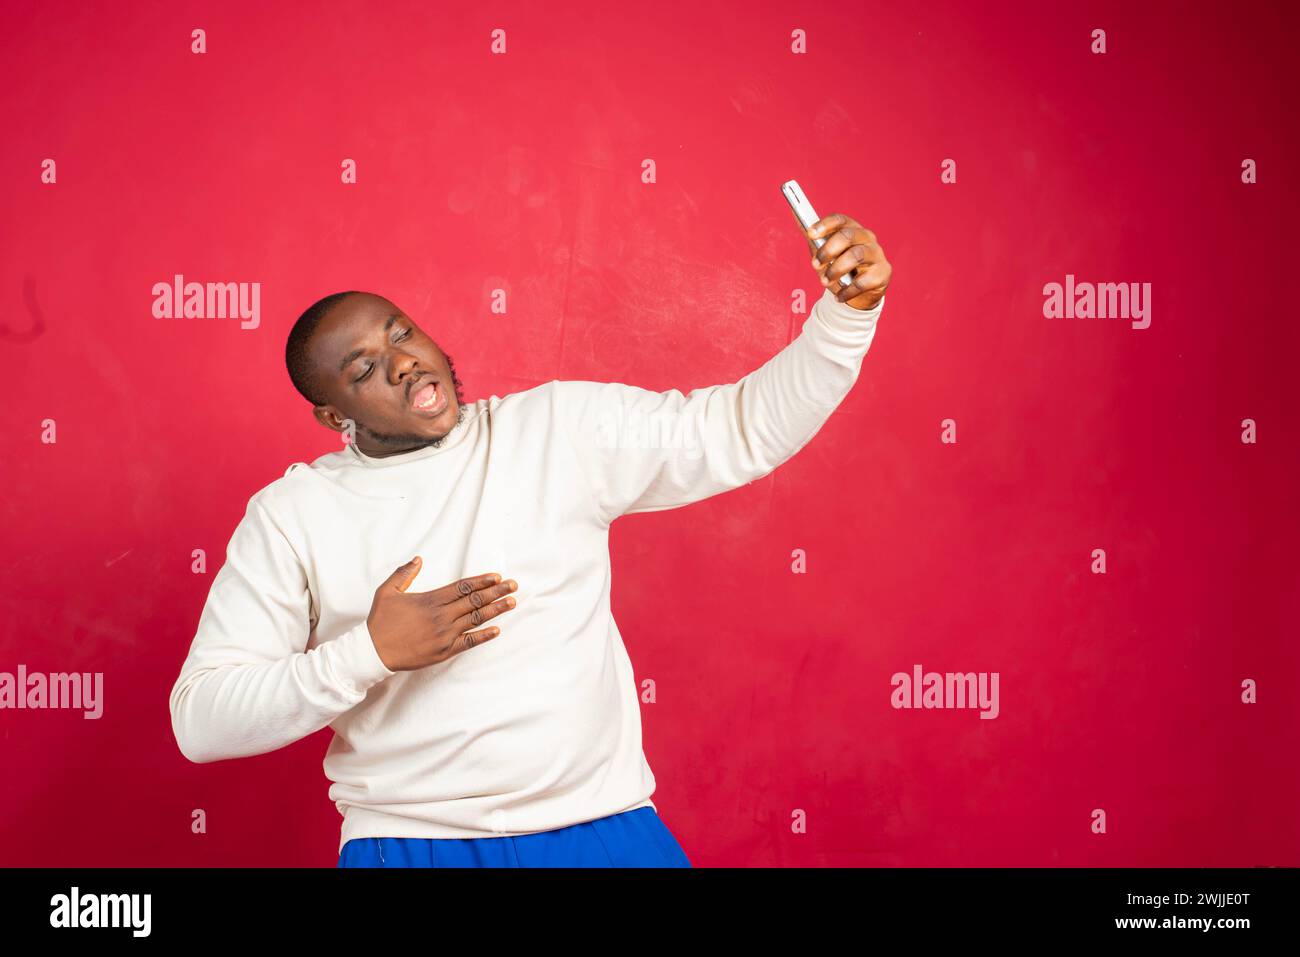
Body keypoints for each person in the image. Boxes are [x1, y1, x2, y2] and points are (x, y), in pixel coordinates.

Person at [167, 212, 891, 867]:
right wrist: (370, 653)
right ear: (333, 415)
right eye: (364, 369)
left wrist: (846, 317)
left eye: (400, 333)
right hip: (412, 842)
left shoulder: (554, 430)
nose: (402, 362)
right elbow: (202, 720)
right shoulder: (293, 512)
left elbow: (740, 427)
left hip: (599, 827)